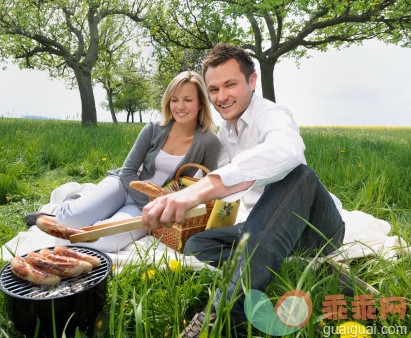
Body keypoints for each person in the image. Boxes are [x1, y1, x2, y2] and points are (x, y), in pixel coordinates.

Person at [141, 44, 346, 336]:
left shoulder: (273, 115)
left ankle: (223, 315)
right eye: (213, 89)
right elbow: (224, 182)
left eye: (230, 85)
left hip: (314, 229)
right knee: (198, 244)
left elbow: (286, 151)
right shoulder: (225, 132)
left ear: (252, 81)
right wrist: (179, 192)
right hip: (264, 227)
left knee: (298, 174)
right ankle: (290, 266)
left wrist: (197, 192)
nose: (221, 97)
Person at [23, 70, 221, 252]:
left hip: (150, 205)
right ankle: (62, 210)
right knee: (71, 218)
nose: (180, 106)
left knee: (107, 241)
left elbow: (206, 185)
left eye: (188, 100)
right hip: (123, 186)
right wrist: (147, 202)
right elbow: (128, 171)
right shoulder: (153, 129)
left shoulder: (208, 141)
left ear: (200, 103)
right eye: (174, 99)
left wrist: (163, 207)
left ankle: (84, 220)